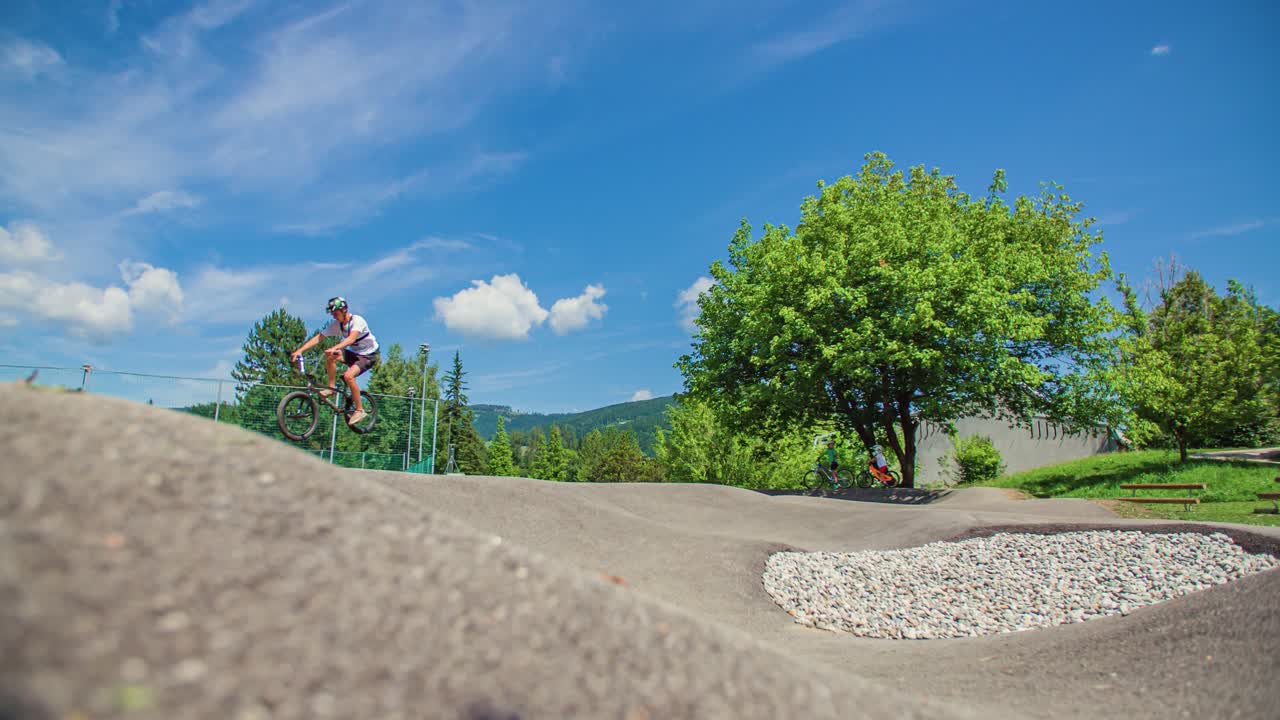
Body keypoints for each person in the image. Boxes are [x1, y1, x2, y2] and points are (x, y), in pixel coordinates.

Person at [290, 296, 380, 426]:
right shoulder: (336, 325)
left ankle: (360, 410)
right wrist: (300, 350)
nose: (334, 316)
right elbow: (318, 338)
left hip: (368, 356)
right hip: (355, 354)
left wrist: (335, 347)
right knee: (331, 356)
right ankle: (332, 388)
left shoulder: (357, 321)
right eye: (332, 314)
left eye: (335, 313)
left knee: (348, 376)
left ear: (344, 310)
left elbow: (351, 339)